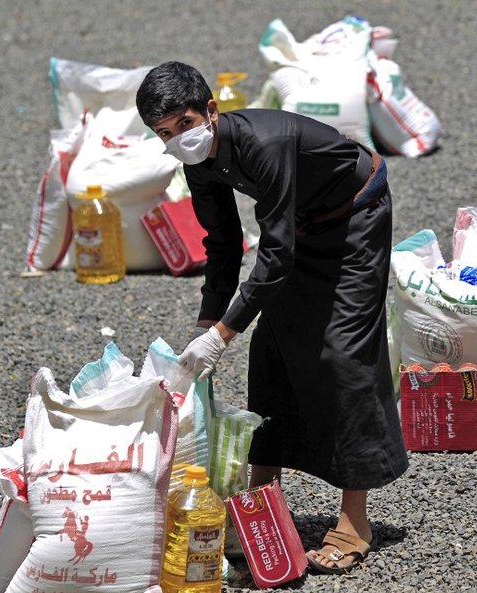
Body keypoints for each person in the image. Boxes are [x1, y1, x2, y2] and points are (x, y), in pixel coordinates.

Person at [136, 61, 408, 575]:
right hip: (300, 223)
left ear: (211, 112)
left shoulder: (264, 141)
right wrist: (205, 324)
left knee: (343, 355)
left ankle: (355, 521)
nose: (179, 140)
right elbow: (222, 244)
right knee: (271, 352)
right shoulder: (196, 162)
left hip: (354, 218)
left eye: (186, 125)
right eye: (165, 135)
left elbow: (275, 256)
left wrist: (222, 334)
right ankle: (263, 507)